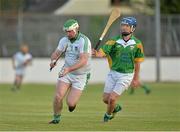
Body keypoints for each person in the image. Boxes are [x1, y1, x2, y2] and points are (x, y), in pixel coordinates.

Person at [92, 17, 144, 122]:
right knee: (106, 99)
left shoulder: (137, 44)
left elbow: (137, 62)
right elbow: (102, 53)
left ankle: (107, 117)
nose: (124, 27)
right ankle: (115, 108)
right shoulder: (113, 41)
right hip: (113, 73)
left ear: (132, 28)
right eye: (122, 25)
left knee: (112, 98)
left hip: (126, 75)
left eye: (127, 26)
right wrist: (97, 54)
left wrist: (136, 78)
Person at [49, 19, 91, 124]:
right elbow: (56, 53)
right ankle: (56, 118)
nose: (68, 34)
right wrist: (53, 60)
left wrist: (69, 69)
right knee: (58, 96)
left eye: (70, 31)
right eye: (66, 31)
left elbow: (83, 61)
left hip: (81, 75)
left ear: (77, 29)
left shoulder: (84, 41)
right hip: (66, 72)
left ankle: (72, 104)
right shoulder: (64, 40)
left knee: (70, 103)